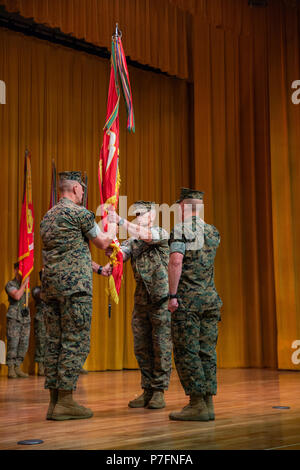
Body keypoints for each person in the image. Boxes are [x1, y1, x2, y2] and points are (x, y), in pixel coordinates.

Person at [40, 171, 116, 421]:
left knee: (54, 342)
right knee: (75, 341)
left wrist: (98, 269)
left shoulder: (47, 217)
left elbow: (67, 252)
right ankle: (65, 401)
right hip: (75, 290)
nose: (83, 194)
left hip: (51, 288)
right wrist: (113, 221)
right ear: (74, 189)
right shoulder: (80, 214)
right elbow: (103, 242)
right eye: (82, 190)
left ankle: (54, 402)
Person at [107, 201, 172, 409]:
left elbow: (148, 237)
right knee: (141, 346)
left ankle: (159, 391)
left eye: (142, 214)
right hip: (142, 301)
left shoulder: (160, 232)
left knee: (160, 345)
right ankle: (147, 390)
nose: (138, 217)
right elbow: (120, 256)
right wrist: (111, 245)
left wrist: (120, 220)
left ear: (152, 215)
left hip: (160, 300)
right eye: (135, 214)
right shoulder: (132, 240)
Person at [167, 188, 222, 421]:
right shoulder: (213, 231)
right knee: (207, 351)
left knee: (187, 351)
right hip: (210, 299)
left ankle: (197, 404)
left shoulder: (180, 229)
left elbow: (176, 261)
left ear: (182, 207)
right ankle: (207, 403)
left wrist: (172, 295)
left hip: (188, 301)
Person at [5, 262, 31, 379]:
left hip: (25, 318)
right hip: (14, 317)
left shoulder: (27, 286)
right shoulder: (10, 284)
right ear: (16, 270)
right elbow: (17, 296)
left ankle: (17, 367)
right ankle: (10, 368)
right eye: (21, 270)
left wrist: (26, 284)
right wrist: (24, 284)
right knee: (13, 343)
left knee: (23, 344)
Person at [32, 270, 47, 376]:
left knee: (50, 343)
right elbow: (41, 296)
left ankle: (48, 366)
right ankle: (40, 366)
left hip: (51, 319)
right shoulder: (37, 289)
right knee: (41, 342)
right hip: (41, 319)